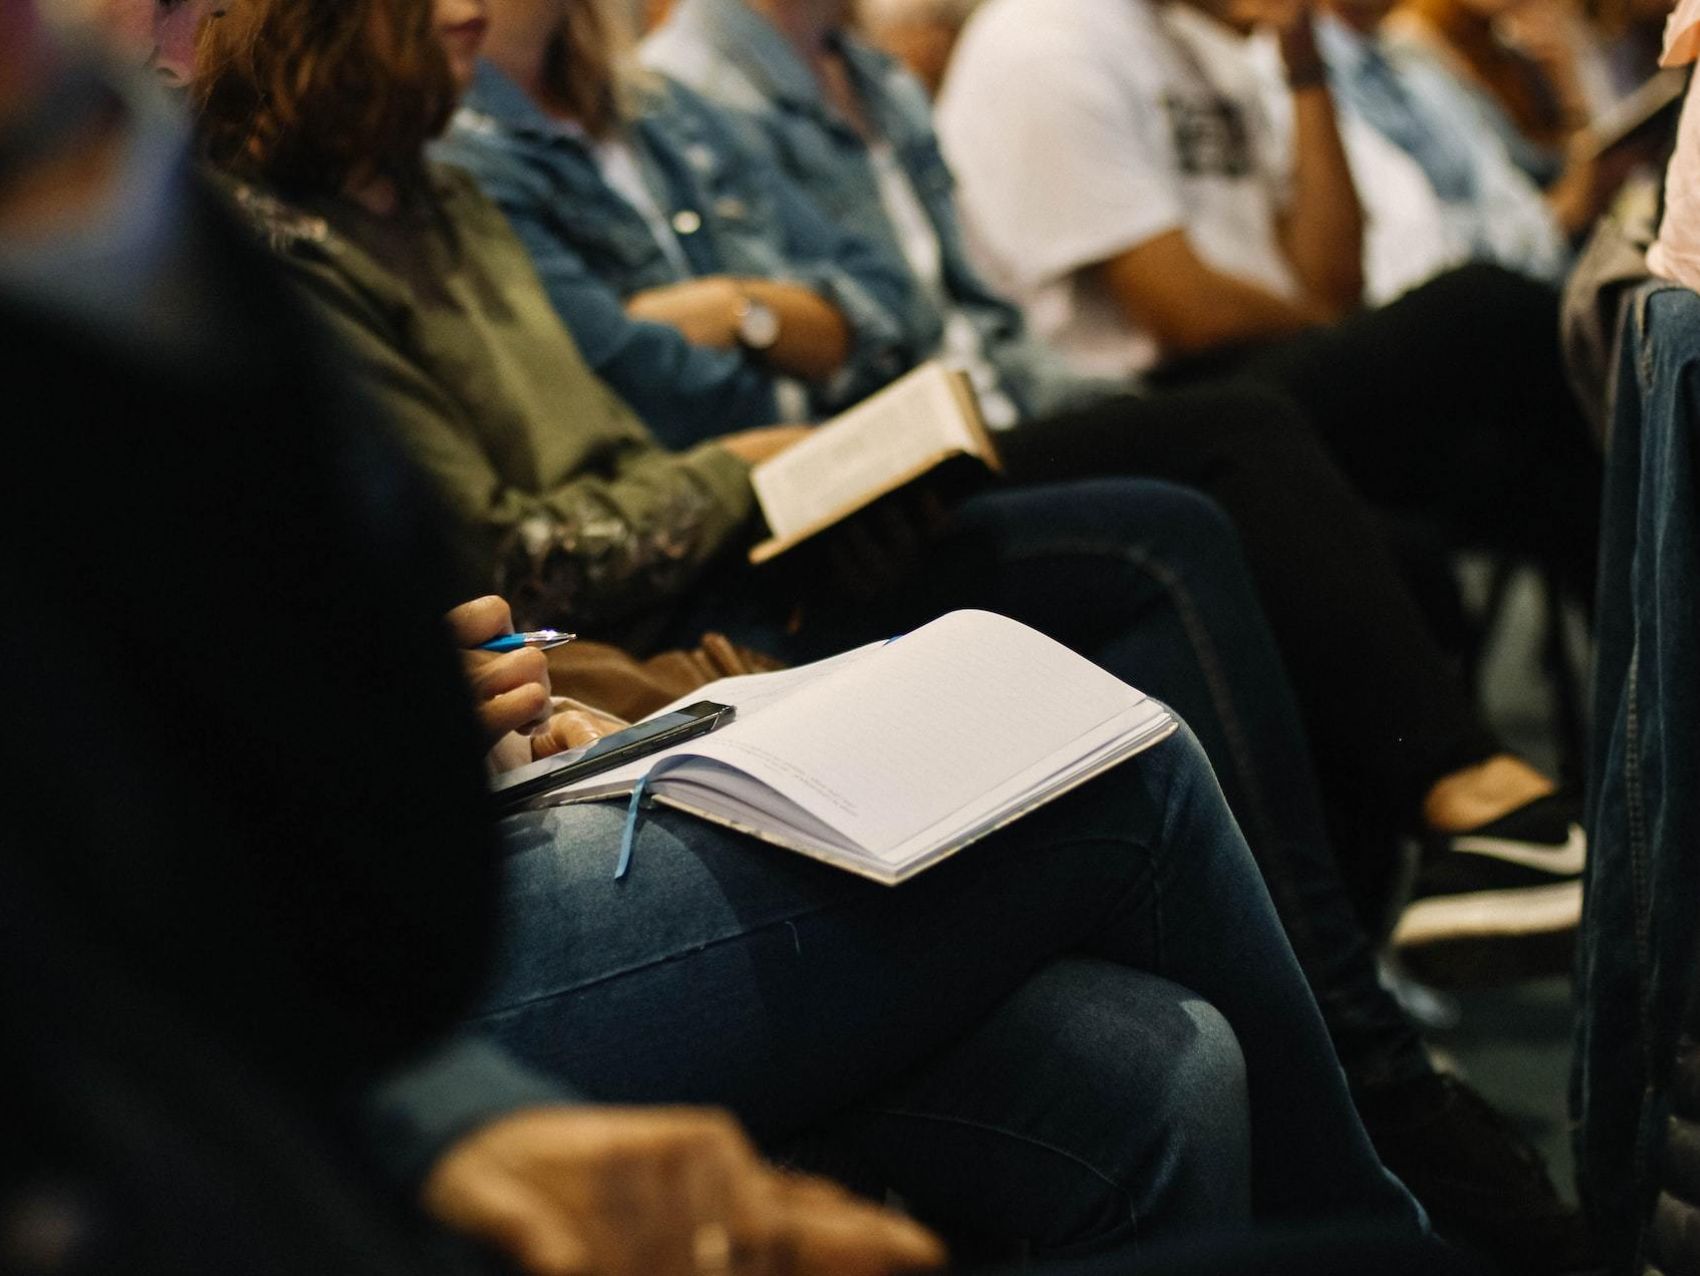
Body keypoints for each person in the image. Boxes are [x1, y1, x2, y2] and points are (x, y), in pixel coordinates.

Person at [160, 0, 1597, 1264]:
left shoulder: (430, 199)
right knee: (1125, 727)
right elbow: (541, 530)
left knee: (1171, 1064)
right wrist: (769, 433)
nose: (161, 57)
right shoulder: (278, 235)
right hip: (370, 912)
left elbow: (838, 329)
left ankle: (1408, 1026)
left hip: (520, 762)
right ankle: (1402, 1162)